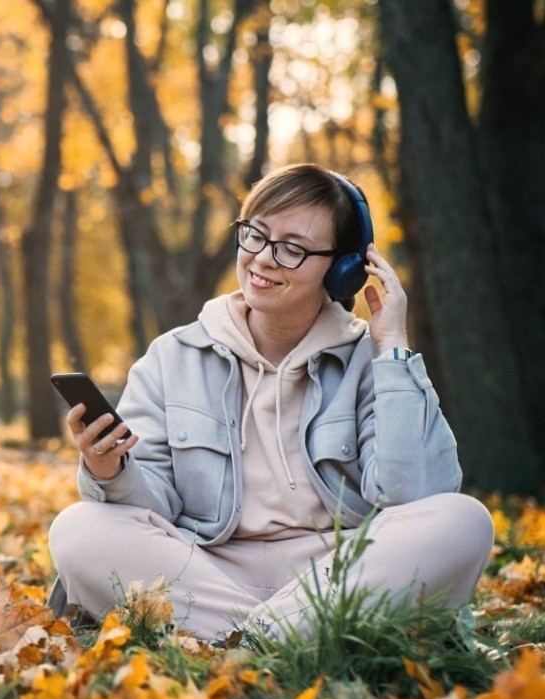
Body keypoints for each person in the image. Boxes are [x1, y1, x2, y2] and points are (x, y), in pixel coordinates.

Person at [47, 163, 494, 642]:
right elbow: (151, 508)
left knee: (464, 520)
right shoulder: (173, 356)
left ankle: (241, 641)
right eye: (255, 236)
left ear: (342, 269)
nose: (263, 259)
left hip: (336, 575)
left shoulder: (372, 359)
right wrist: (109, 470)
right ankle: (291, 640)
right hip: (206, 573)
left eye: (292, 249)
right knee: (78, 528)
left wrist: (394, 350)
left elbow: (414, 494)